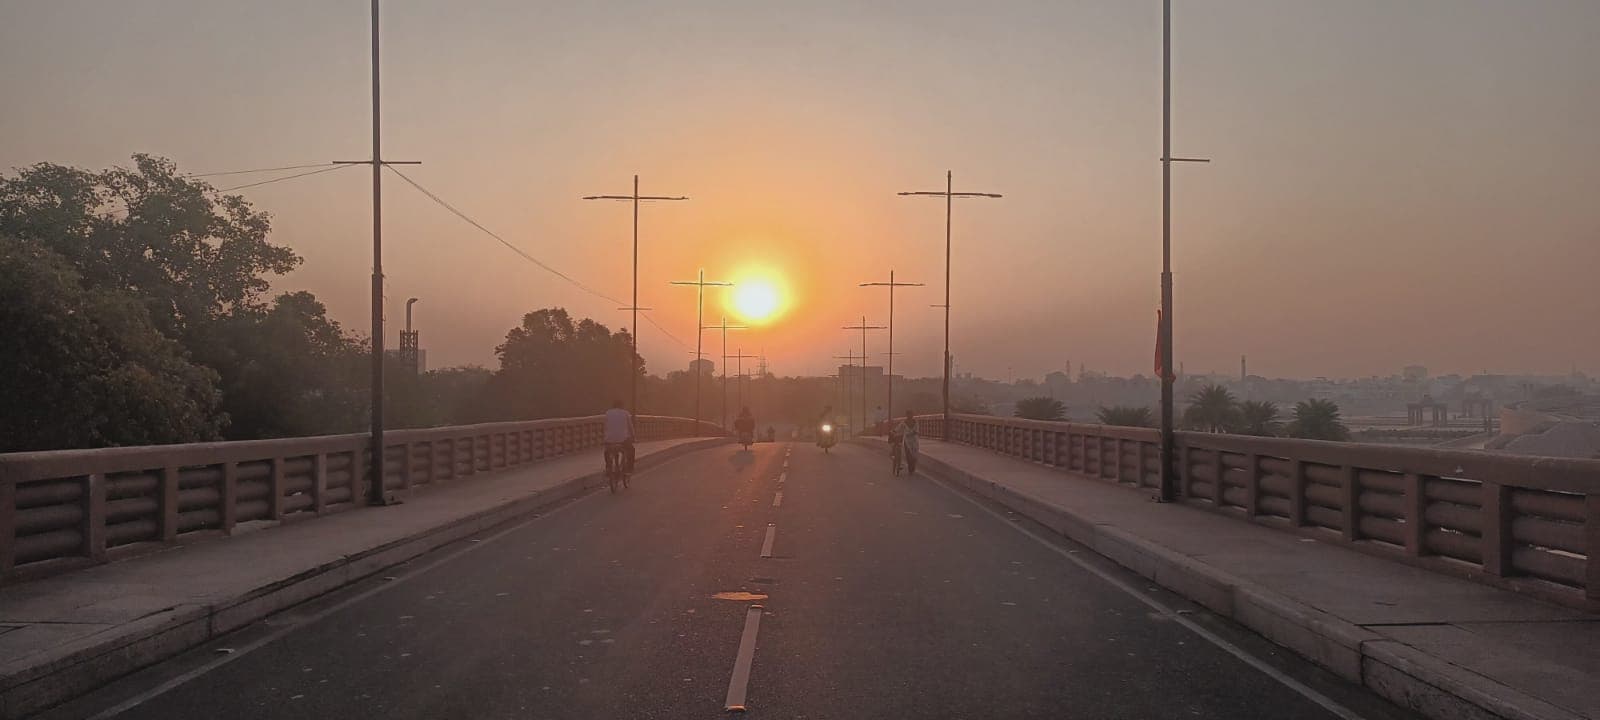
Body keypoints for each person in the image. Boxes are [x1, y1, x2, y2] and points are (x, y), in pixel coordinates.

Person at [603, 399, 635, 475]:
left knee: (607, 451)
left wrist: (605, 437)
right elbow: (630, 427)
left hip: (609, 440)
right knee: (631, 450)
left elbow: (605, 427)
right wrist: (633, 437)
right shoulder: (626, 413)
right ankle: (629, 469)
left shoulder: (608, 413)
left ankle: (608, 467)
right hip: (623, 440)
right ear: (622, 406)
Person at [890, 410, 920, 474]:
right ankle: (910, 468)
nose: (910, 416)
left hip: (915, 441)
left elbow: (917, 431)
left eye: (911, 414)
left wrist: (911, 433)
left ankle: (912, 467)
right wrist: (893, 431)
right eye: (909, 415)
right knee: (908, 455)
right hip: (907, 441)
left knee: (914, 455)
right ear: (907, 415)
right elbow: (897, 429)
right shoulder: (903, 423)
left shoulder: (916, 422)